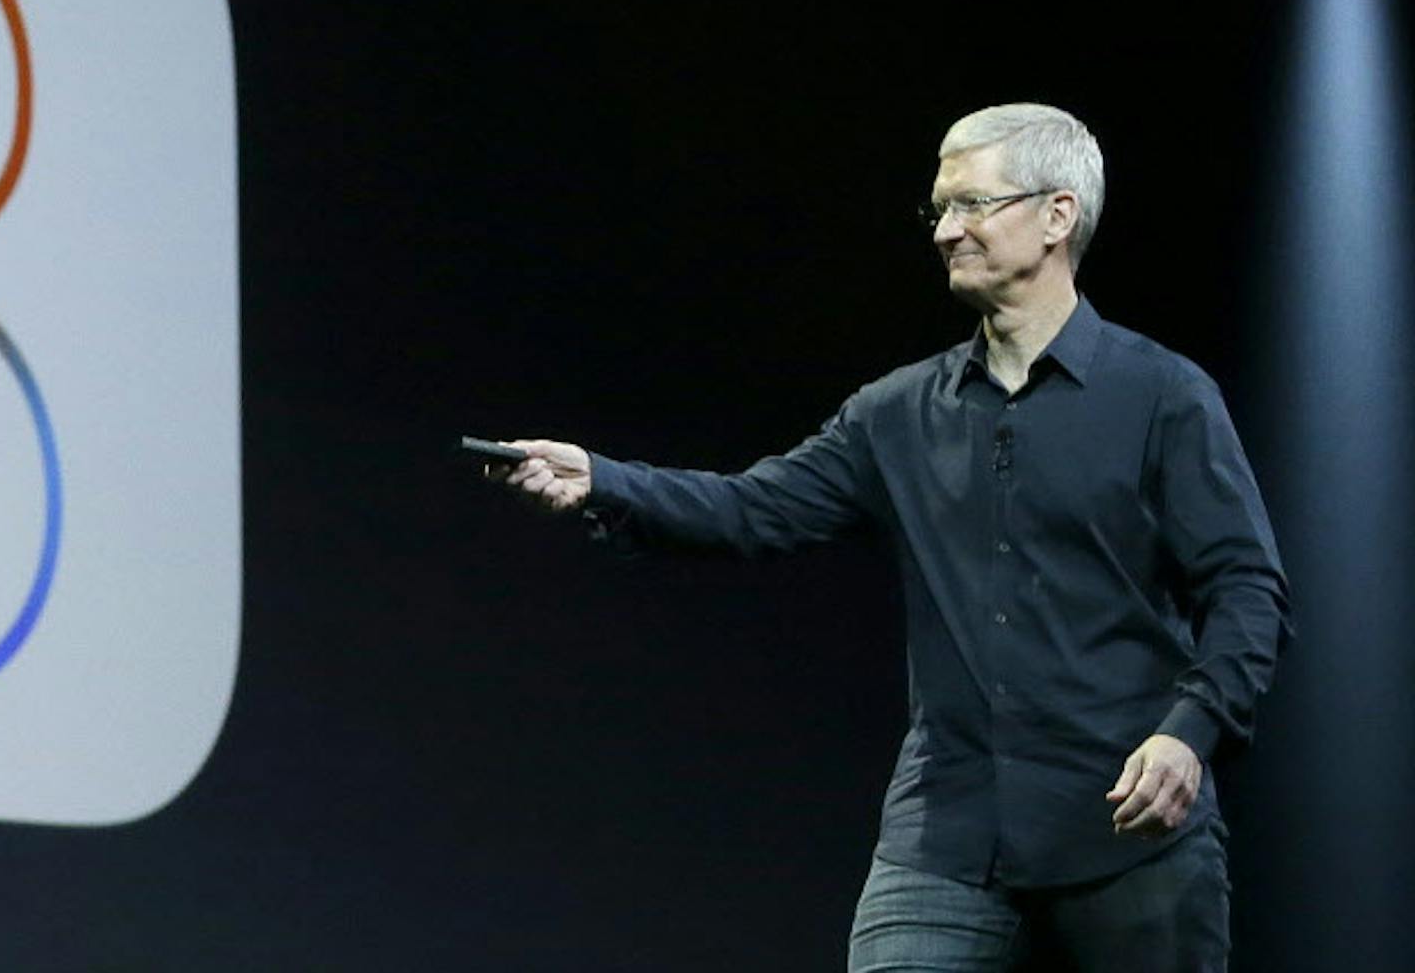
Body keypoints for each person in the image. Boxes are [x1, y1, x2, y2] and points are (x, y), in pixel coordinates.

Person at [491, 104, 1290, 971]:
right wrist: (603, 480)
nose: (947, 231)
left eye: (974, 205)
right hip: (947, 832)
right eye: (939, 210)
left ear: (1058, 215)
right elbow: (753, 508)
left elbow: (1246, 587)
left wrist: (1190, 730)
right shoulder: (897, 412)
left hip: (1128, 833)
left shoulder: (1164, 396)